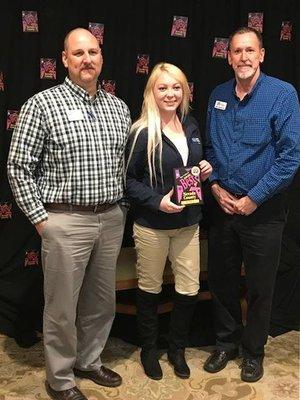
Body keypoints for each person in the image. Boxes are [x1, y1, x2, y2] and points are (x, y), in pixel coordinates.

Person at [7, 28, 131, 400]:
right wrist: (42, 220)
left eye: (93, 52)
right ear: (64, 59)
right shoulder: (42, 105)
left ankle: (88, 361)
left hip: (109, 218)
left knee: (100, 300)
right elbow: (18, 167)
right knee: (61, 306)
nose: (86, 59)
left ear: (102, 57)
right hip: (64, 221)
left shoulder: (118, 107)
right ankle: (60, 379)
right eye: (78, 53)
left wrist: (121, 208)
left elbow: (124, 165)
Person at [204, 27, 300, 382]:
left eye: (250, 50)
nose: (243, 57)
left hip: (264, 212)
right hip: (223, 207)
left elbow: (289, 158)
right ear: (228, 56)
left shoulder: (282, 95)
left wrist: (253, 199)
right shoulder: (218, 95)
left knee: (260, 287)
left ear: (261, 55)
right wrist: (214, 188)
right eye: (237, 51)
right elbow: (210, 150)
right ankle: (226, 344)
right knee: (222, 281)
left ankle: (253, 352)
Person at [125, 62, 212, 380]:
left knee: (188, 290)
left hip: (189, 223)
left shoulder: (190, 124)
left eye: (176, 86)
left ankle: (177, 349)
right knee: (149, 289)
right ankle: (149, 350)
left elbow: (194, 166)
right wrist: (157, 201)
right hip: (152, 226)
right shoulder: (141, 131)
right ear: (152, 91)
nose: (170, 92)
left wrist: (204, 168)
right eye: (162, 87)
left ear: (184, 90)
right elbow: (129, 181)